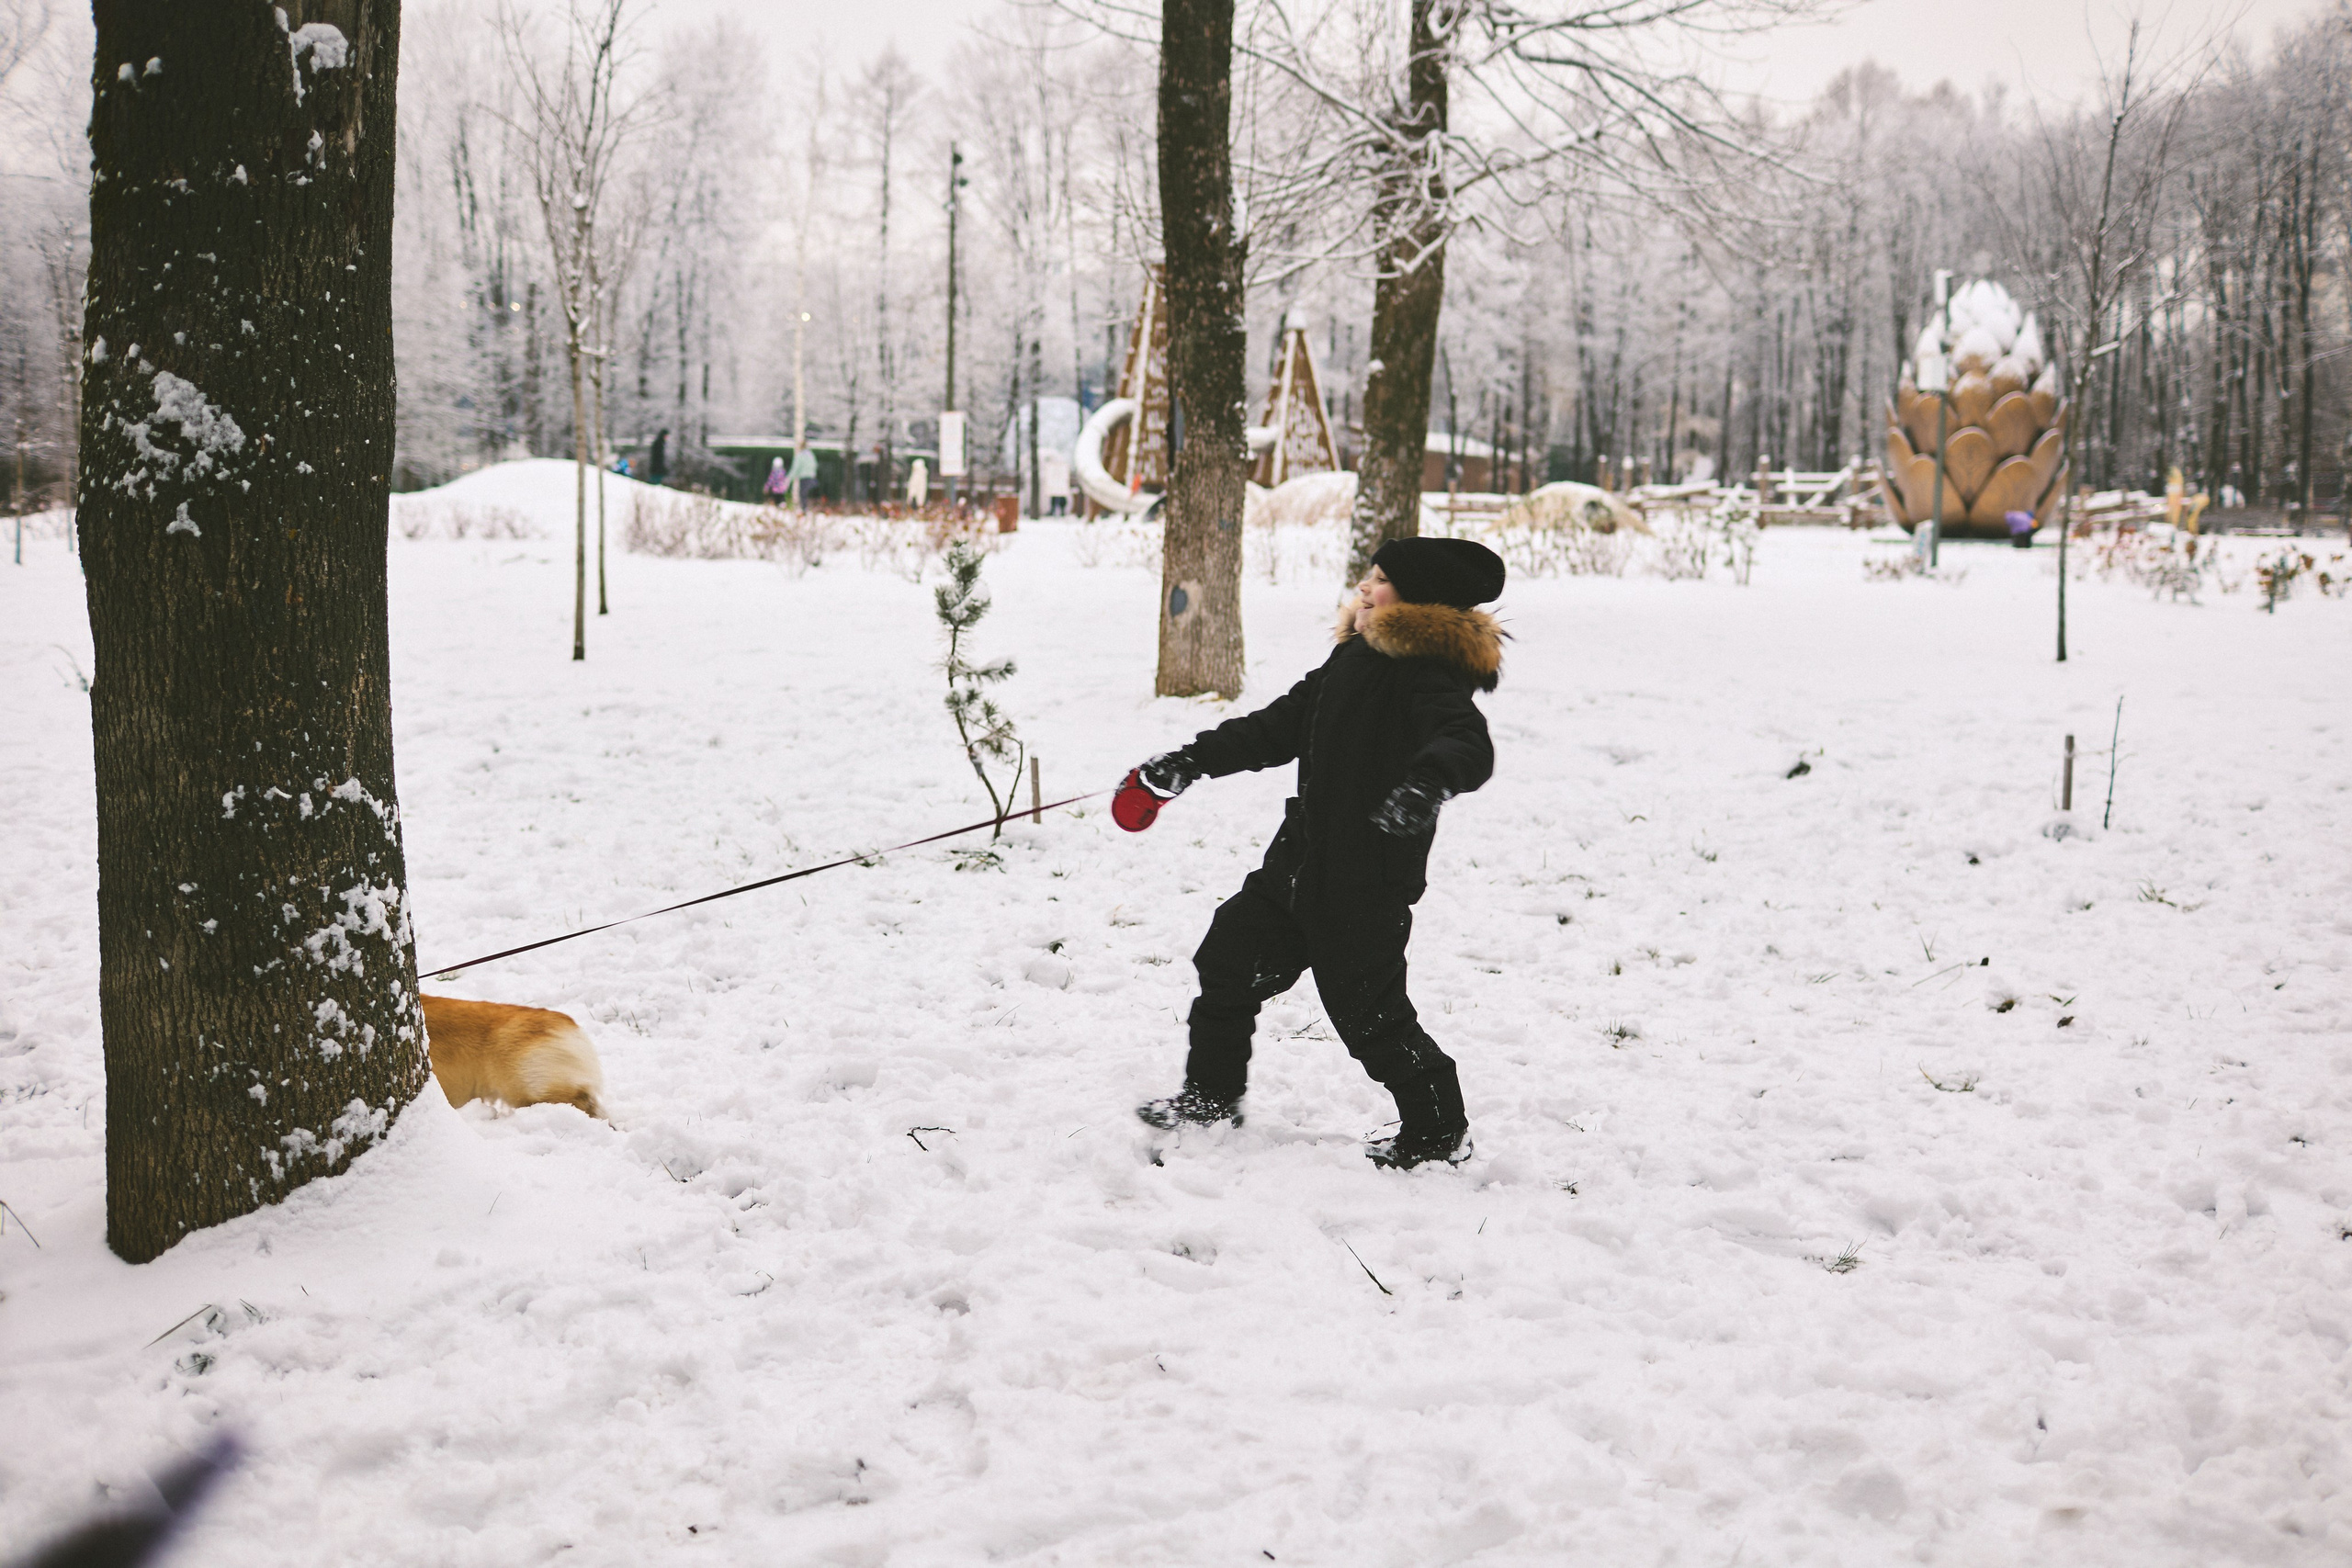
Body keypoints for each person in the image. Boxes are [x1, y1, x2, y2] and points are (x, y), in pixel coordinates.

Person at [1114, 536, 1506, 1169]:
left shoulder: (1426, 675)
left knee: (1371, 1017)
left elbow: (1468, 742)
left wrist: (1427, 784)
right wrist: (1191, 761)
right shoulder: (1351, 660)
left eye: (1379, 580)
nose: (1364, 587)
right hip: (1297, 863)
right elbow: (1276, 727)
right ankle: (1212, 1095)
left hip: (1364, 882)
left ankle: (1438, 1133)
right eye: (1368, 575)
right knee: (1229, 955)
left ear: (1419, 601)